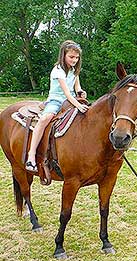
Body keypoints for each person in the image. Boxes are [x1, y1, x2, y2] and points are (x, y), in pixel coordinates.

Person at [26, 40, 89, 172]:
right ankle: (31, 155)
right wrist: (78, 105)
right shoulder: (58, 70)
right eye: (71, 57)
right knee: (44, 119)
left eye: (77, 58)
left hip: (71, 100)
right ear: (63, 55)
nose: (74, 60)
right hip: (57, 100)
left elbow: (76, 87)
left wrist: (81, 92)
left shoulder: (74, 70)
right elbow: (66, 92)